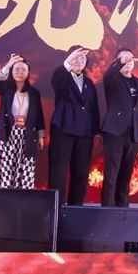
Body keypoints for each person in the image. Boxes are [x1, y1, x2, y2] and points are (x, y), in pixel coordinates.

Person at [48, 47, 99, 205]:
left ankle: (76, 207)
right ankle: (56, 208)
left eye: (82, 59)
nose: (79, 61)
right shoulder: (62, 77)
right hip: (64, 129)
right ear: (68, 60)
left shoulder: (89, 83)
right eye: (75, 58)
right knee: (59, 171)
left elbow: (93, 108)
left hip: (85, 133)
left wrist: (95, 130)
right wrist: (68, 61)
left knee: (81, 172)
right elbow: (57, 80)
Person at [100, 48, 138, 207]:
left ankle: (123, 208)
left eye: (130, 59)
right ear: (117, 62)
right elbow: (109, 74)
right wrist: (120, 62)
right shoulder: (112, 79)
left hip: (133, 134)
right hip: (114, 132)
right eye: (124, 59)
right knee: (111, 173)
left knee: (127, 174)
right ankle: (107, 208)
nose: (128, 62)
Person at [0, 54, 46, 189]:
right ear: (11, 71)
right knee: (6, 167)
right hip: (6, 133)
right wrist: (9, 64)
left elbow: (39, 116)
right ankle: (3, 195)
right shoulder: (5, 89)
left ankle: (22, 196)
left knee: (25, 167)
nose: (20, 72)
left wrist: (40, 136)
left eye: (23, 70)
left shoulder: (34, 93)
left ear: (28, 73)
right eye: (16, 69)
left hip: (26, 135)